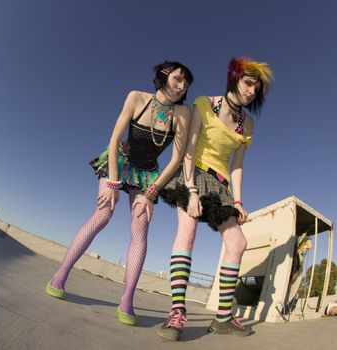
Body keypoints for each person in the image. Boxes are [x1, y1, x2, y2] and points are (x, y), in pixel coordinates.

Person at [45, 61, 194, 326]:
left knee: (141, 227)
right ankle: (60, 275)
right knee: (103, 213)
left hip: (148, 175)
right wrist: (113, 184)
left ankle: (126, 300)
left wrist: (151, 193)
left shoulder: (182, 114)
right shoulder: (136, 97)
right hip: (120, 161)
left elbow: (177, 158)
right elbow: (114, 139)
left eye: (186, 84)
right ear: (163, 76)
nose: (182, 87)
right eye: (178, 79)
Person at [157, 57, 273, 340]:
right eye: (248, 83)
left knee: (238, 242)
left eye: (256, 89)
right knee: (187, 230)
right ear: (235, 79)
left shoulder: (248, 124)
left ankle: (223, 316)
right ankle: (177, 313)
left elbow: (236, 166)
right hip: (193, 172)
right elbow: (189, 146)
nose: (250, 91)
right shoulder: (204, 103)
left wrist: (238, 201)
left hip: (221, 185)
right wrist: (191, 190)